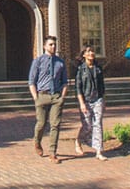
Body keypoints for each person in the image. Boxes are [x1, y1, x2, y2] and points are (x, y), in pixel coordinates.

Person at [27, 35, 69, 163]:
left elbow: (65, 82)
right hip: (42, 96)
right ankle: (37, 142)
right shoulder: (38, 61)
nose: (53, 46)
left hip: (56, 96)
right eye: (50, 44)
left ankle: (52, 152)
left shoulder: (60, 62)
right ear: (45, 46)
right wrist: (36, 98)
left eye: (54, 44)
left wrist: (62, 97)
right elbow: (31, 81)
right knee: (41, 124)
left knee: (55, 124)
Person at [74, 44, 108, 161]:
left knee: (98, 123)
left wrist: (104, 100)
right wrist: (82, 103)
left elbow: (102, 86)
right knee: (87, 126)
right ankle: (78, 140)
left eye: (92, 51)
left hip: (98, 98)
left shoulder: (98, 68)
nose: (91, 53)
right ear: (84, 54)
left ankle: (99, 151)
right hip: (86, 100)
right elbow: (78, 88)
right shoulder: (80, 69)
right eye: (88, 51)